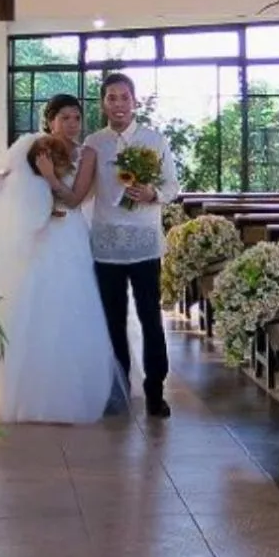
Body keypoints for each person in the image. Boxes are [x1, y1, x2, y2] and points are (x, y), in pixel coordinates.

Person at [0, 94, 125, 424]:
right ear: (50, 120)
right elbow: (10, 191)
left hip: (69, 235)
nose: (71, 124)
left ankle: (69, 393)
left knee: (70, 306)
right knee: (29, 303)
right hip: (38, 237)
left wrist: (50, 177)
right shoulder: (31, 147)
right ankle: (22, 391)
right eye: (65, 118)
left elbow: (74, 199)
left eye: (76, 118)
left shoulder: (87, 154)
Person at [83, 73, 180, 418]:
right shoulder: (94, 143)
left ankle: (155, 389)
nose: (118, 104)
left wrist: (154, 193)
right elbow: (83, 188)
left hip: (144, 242)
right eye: (111, 97)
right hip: (106, 243)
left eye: (124, 97)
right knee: (112, 319)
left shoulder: (154, 140)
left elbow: (172, 186)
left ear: (134, 101)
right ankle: (118, 387)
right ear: (103, 103)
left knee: (150, 316)